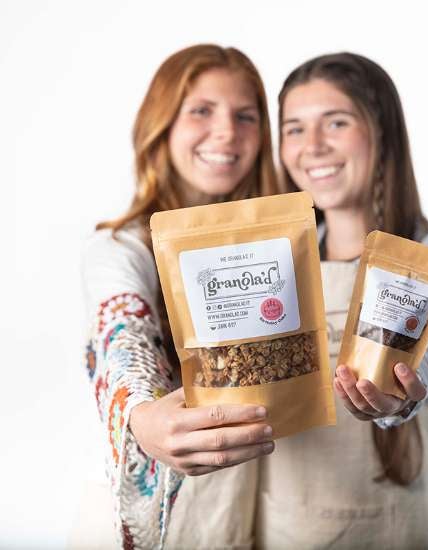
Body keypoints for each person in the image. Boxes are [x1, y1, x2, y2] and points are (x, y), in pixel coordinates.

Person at [256, 51, 428, 549]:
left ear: (382, 132)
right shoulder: (270, 269)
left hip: (408, 524)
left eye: (335, 122)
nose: (312, 146)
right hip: (290, 528)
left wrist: (400, 391)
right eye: (294, 129)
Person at [81, 44, 279, 549]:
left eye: (245, 116)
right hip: (166, 522)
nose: (227, 132)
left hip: (275, 511)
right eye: (201, 111)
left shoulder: (286, 245)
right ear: (161, 125)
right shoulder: (121, 248)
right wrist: (145, 417)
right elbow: (122, 341)